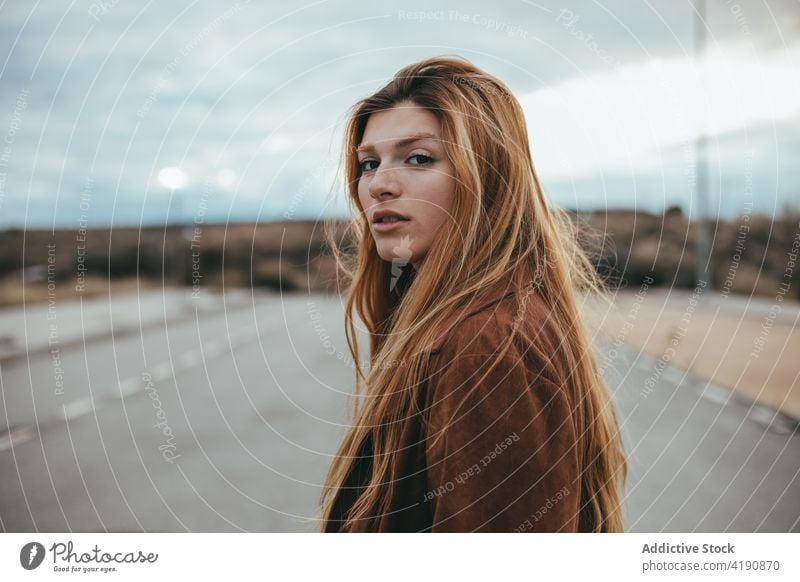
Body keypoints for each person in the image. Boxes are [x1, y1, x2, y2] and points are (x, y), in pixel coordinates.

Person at [319, 55, 627, 532]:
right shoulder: (471, 322)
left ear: (489, 177)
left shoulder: (486, 344)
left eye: (418, 158)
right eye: (368, 163)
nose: (379, 184)